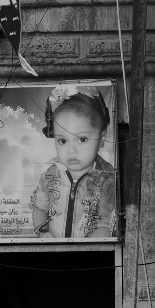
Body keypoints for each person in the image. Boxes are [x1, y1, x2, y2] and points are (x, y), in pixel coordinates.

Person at [28, 91, 119, 238]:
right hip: (54, 252)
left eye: (82, 139)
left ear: (102, 137)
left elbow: (105, 225)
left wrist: (83, 249)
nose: (71, 150)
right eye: (62, 141)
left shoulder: (106, 181)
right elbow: (39, 208)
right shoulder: (50, 176)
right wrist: (44, 233)